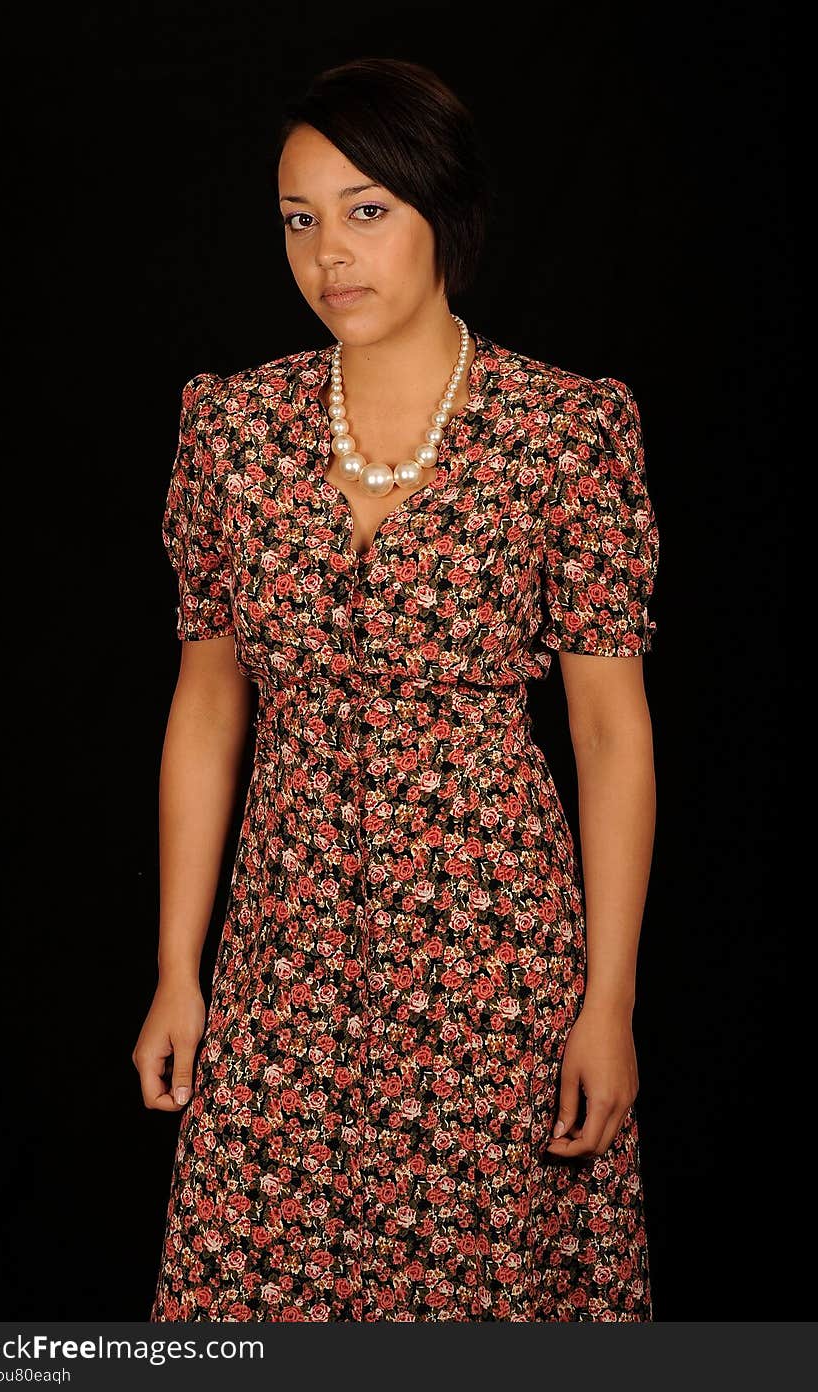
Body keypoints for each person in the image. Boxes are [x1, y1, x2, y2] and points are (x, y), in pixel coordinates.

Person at [134, 56, 660, 1323]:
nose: (329, 255)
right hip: (283, 948)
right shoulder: (233, 430)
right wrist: (175, 964)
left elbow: (609, 731)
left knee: (479, 1295)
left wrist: (608, 1002)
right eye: (298, 219)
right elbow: (209, 704)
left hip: (492, 948)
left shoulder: (565, 433)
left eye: (365, 210)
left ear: (443, 212)